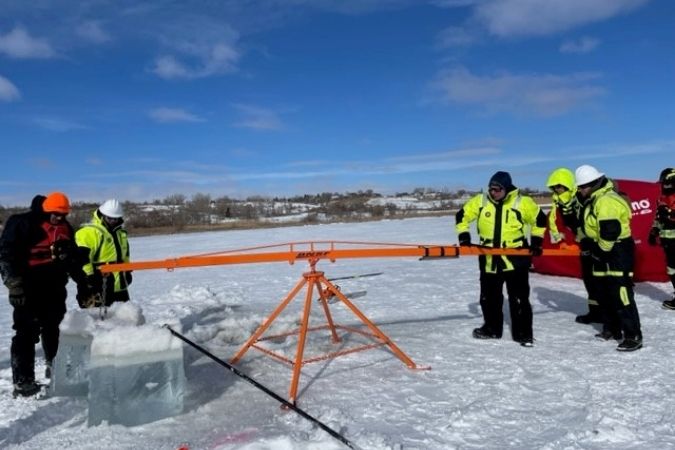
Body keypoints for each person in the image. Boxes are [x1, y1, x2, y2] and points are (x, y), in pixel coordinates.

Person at [0, 192, 86, 396]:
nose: (59, 218)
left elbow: (71, 259)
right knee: (26, 332)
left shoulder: (65, 228)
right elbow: (5, 255)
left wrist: (83, 282)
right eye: (55, 215)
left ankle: (54, 368)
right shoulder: (22, 224)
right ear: (46, 210)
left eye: (63, 215)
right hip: (28, 287)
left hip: (54, 287)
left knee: (54, 328)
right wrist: (14, 285)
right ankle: (23, 380)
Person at [455, 171, 547, 347]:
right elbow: (461, 216)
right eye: (491, 189)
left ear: (506, 188)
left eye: (497, 189)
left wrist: (536, 242)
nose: (493, 192)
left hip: (516, 257)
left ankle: (523, 334)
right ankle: (492, 329)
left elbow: (539, 220)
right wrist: (464, 237)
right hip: (489, 257)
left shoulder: (522, 202)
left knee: (519, 297)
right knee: (489, 297)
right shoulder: (481, 201)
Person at [575, 165, 642, 351]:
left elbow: (610, 232)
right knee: (604, 292)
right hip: (602, 250)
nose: (580, 190)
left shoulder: (606, 201)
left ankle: (633, 335)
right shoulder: (593, 200)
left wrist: (598, 251)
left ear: (594, 183)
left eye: (582, 187)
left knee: (621, 294)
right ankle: (612, 328)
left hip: (616, 251)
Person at [546, 168, 602, 324]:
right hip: (583, 243)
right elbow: (553, 220)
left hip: (596, 243)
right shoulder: (557, 201)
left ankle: (610, 316)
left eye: (560, 186)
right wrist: (559, 239)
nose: (557, 190)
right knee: (589, 280)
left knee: (601, 280)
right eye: (555, 187)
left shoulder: (581, 197)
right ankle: (595, 313)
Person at [75, 199, 131, 307]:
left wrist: (127, 271)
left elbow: (125, 255)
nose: (113, 221)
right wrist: (89, 278)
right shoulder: (89, 233)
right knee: (98, 321)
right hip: (97, 284)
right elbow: (82, 259)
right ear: (102, 215)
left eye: (116, 218)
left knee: (125, 318)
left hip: (119, 285)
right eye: (110, 218)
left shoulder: (121, 234)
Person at [648, 167, 675, 308]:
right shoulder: (662, 199)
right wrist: (654, 231)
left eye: (666, 183)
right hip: (668, 242)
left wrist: (670, 216)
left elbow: (669, 217)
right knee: (672, 270)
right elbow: (658, 217)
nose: (664, 187)